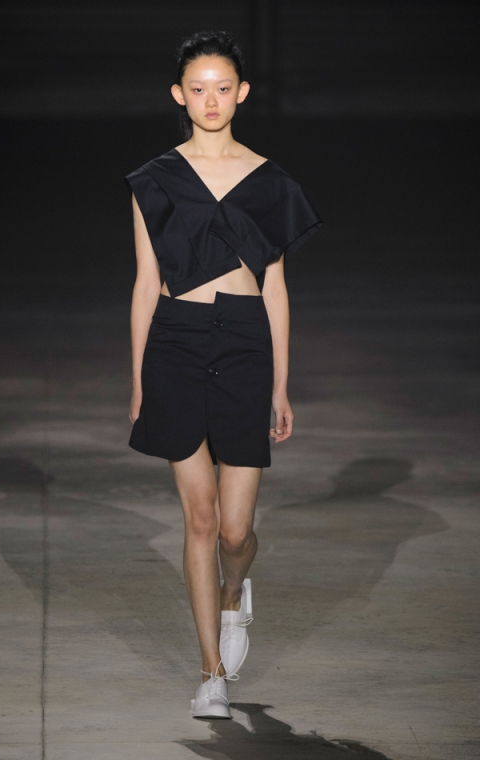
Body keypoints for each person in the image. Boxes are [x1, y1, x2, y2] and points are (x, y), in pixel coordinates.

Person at [125, 30, 321, 719]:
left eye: (223, 87)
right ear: (179, 96)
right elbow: (145, 284)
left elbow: (276, 289)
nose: (211, 100)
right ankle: (210, 673)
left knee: (236, 532)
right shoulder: (154, 180)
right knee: (202, 517)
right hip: (174, 343)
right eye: (197, 88)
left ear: (242, 93)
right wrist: (139, 380)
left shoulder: (270, 183)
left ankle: (236, 593)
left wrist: (281, 383)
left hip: (243, 344)